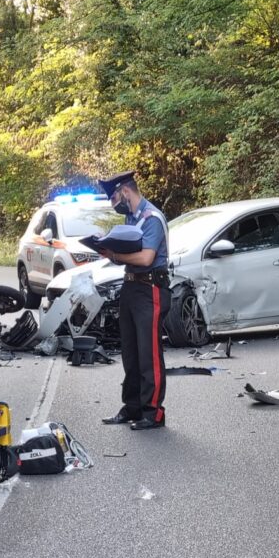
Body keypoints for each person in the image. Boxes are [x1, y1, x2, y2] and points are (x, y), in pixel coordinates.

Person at [97, 172, 170, 430]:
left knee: (148, 354)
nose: (113, 204)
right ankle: (133, 407)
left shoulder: (152, 218)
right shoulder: (131, 218)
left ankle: (153, 412)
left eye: (114, 197)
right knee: (130, 352)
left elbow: (146, 258)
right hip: (130, 286)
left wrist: (115, 255)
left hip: (150, 288)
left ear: (125, 191)